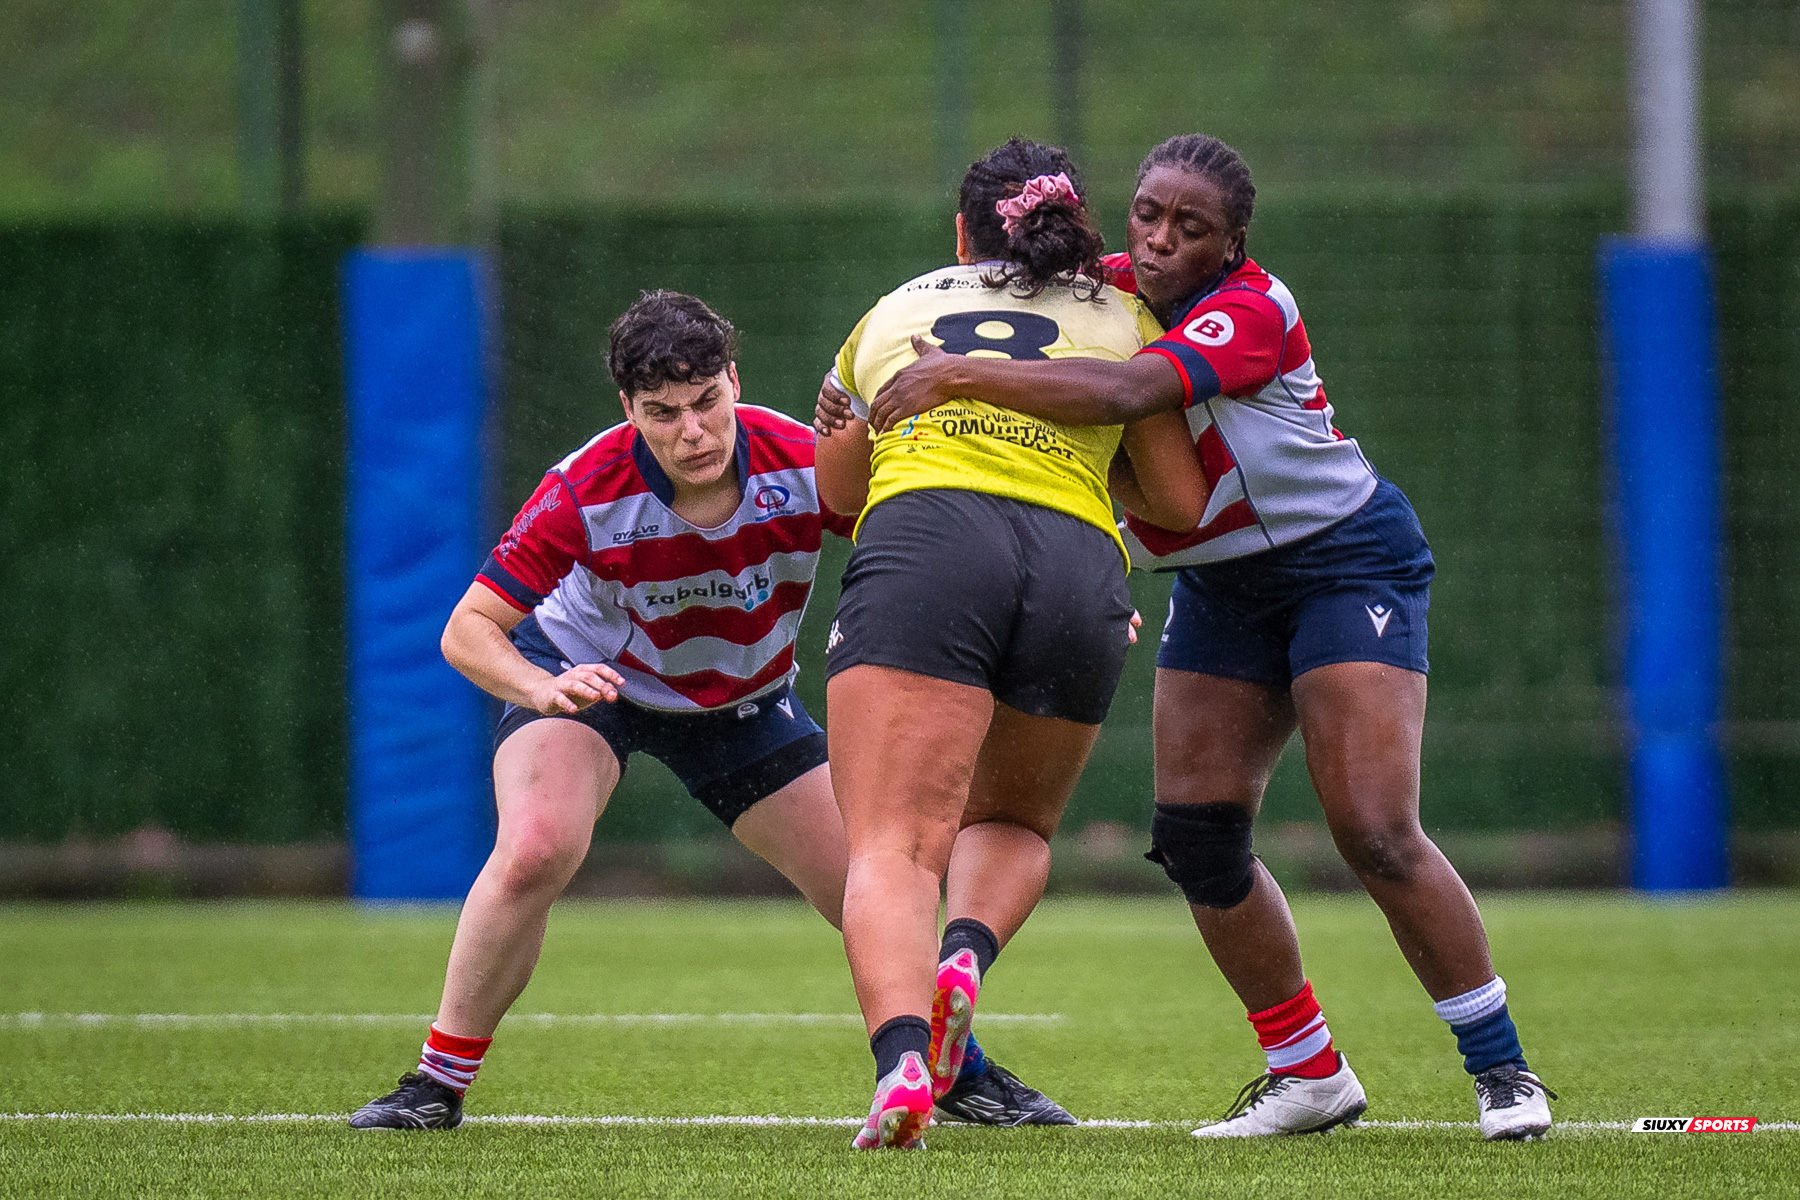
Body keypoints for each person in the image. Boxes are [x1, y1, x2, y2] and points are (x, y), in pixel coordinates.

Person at [862, 134, 1556, 1143]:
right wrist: (852, 393)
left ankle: (1502, 1072)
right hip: (1219, 584)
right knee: (1194, 839)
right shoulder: (1100, 285)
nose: (1158, 241)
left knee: (1373, 827)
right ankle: (1307, 1072)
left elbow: (1126, 395)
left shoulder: (1253, 308)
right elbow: (975, 311)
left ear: (1232, 246)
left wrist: (959, 377)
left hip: (1342, 561)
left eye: (1190, 229)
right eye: (1146, 213)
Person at [348, 290, 1057, 1130]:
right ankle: (435, 1084)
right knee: (537, 847)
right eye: (663, 413)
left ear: (734, 381)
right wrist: (541, 691)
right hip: (590, 682)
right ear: (629, 410)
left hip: (744, 701)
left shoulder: (803, 463)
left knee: (873, 886)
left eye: (707, 403)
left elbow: (933, 546)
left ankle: (955, 1068)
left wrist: (1052, 600)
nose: (692, 432)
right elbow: (467, 629)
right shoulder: (586, 487)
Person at [813, 138, 1203, 1150]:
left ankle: (904, 1063)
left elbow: (838, 499)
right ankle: (967, 953)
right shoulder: (1128, 319)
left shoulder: (893, 312)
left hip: (931, 542)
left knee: (893, 845)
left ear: (961, 232)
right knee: (1017, 826)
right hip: (1078, 567)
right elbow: (1180, 501)